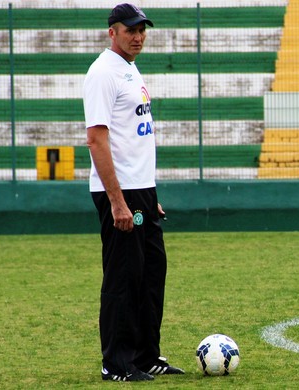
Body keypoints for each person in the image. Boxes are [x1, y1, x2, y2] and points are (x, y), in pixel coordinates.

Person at [83, 3, 184, 382]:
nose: (138, 36)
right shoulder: (103, 73)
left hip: (141, 193)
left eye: (142, 29)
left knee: (151, 272)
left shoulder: (129, 68)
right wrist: (118, 201)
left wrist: (147, 195)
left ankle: (145, 355)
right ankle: (116, 363)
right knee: (123, 276)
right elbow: (96, 140)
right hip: (120, 193)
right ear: (112, 32)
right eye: (130, 29)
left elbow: (133, 138)